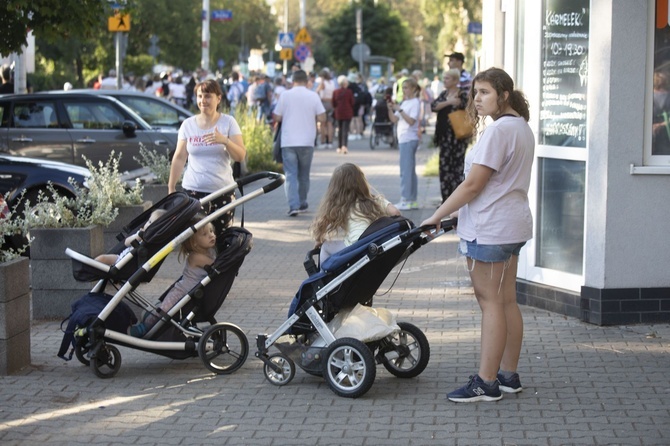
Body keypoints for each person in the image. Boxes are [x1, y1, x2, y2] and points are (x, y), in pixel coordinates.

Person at [421, 67, 534, 403]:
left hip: (491, 229)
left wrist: (437, 215)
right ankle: (507, 375)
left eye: (484, 92)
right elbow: (493, 187)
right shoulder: (521, 128)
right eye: (475, 93)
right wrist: (455, 214)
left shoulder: (500, 132)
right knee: (507, 300)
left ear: (504, 96)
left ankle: (486, 382)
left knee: (491, 303)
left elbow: (474, 184)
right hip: (510, 225)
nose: (477, 99)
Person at [168, 79, 247, 238]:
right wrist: (171, 188)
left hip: (222, 192)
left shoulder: (228, 122)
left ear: (218, 98)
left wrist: (224, 140)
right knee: (196, 240)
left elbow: (240, 156)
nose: (203, 101)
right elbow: (179, 157)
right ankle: (198, 264)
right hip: (193, 193)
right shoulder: (188, 125)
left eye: (208, 96)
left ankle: (217, 264)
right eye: (199, 96)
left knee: (220, 239)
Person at [129, 218, 217, 337]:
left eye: (211, 231)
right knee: (164, 312)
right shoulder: (196, 257)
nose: (211, 235)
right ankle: (142, 329)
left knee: (164, 310)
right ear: (194, 242)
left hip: (188, 291)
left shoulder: (209, 251)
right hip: (181, 292)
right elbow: (216, 266)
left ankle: (148, 318)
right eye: (205, 234)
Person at [310, 163, 400, 263]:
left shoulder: (342, 205)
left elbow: (322, 224)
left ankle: (324, 276)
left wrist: (318, 241)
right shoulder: (376, 200)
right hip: (372, 245)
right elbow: (395, 212)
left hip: (354, 248)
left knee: (326, 246)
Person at [273, 69, 326, 217]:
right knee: (304, 175)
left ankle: (293, 206)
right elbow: (322, 117)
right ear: (307, 80)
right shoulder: (313, 95)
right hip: (307, 141)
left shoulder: (285, 95)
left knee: (290, 175)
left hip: (288, 141)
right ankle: (302, 203)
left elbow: (276, 116)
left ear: (292, 80)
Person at [431, 69, 471, 202]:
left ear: (455, 80)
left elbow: (470, 109)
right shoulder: (444, 94)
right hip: (444, 138)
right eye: (444, 78)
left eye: (447, 78)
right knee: (444, 168)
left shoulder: (462, 95)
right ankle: (445, 200)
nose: (444, 80)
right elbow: (433, 106)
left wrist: (458, 103)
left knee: (457, 169)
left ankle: (457, 201)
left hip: (459, 138)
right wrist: (448, 102)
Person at [386, 76, 422, 211]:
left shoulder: (415, 102)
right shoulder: (405, 102)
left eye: (406, 87)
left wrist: (399, 109)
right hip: (403, 138)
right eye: (403, 88)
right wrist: (391, 108)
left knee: (406, 170)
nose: (404, 90)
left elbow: (412, 121)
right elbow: (395, 119)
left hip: (409, 137)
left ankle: (406, 198)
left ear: (413, 88)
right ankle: (411, 199)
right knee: (409, 170)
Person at [96, 209, 167, 266]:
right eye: (149, 221)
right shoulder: (140, 233)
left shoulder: (151, 240)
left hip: (125, 264)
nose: (148, 224)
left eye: (152, 224)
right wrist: (138, 236)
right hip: (120, 257)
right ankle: (89, 267)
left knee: (103, 259)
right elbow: (126, 243)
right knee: (102, 258)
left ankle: (88, 270)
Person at [332, 75, 355, 155]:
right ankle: (344, 146)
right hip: (347, 112)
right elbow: (352, 102)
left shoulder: (335, 92)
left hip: (338, 112)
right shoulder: (349, 92)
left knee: (340, 129)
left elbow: (333, 103)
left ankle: (339, 146)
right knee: (345, 129)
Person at [316, 68, 335, 149]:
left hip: (324, 103)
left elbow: (317, 91)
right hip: (331, 103)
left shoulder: (323, 83)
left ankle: (323, 141)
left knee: (323, 124)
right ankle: (330, 142)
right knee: (330, 124)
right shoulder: (332, 83)